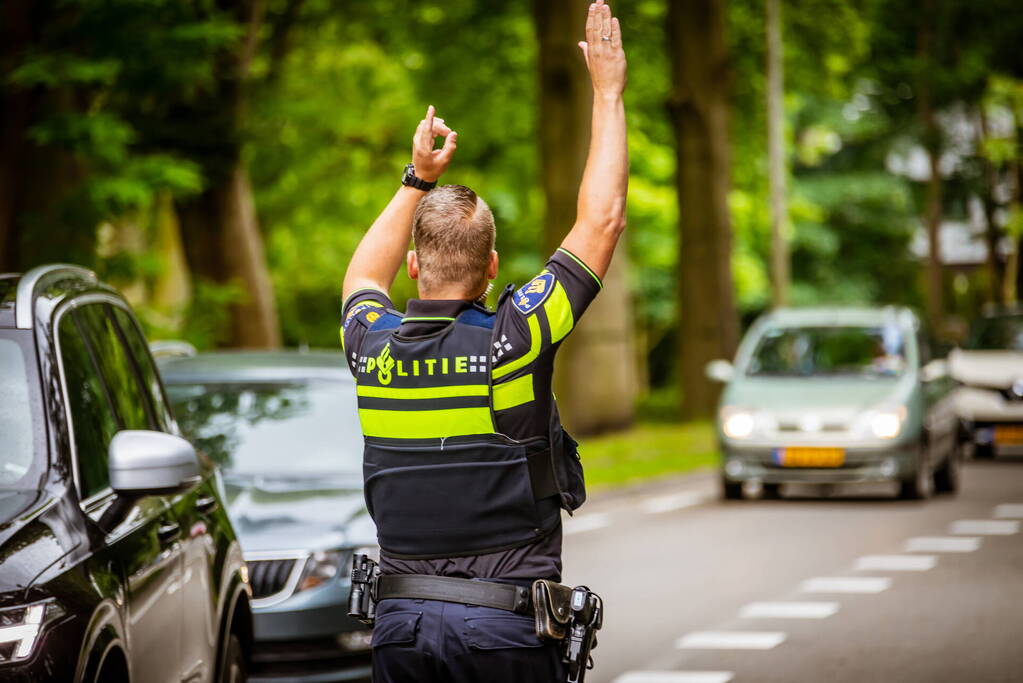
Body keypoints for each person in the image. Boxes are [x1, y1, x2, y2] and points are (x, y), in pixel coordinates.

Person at [340, 2, 627, 680]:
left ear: (412, 266)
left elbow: (360, 272)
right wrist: (608, 92)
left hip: (401, 629)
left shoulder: (370, 345)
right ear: (492, 268)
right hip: (504, 632)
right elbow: (602, 219)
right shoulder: (517, 337)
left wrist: (417, 179)